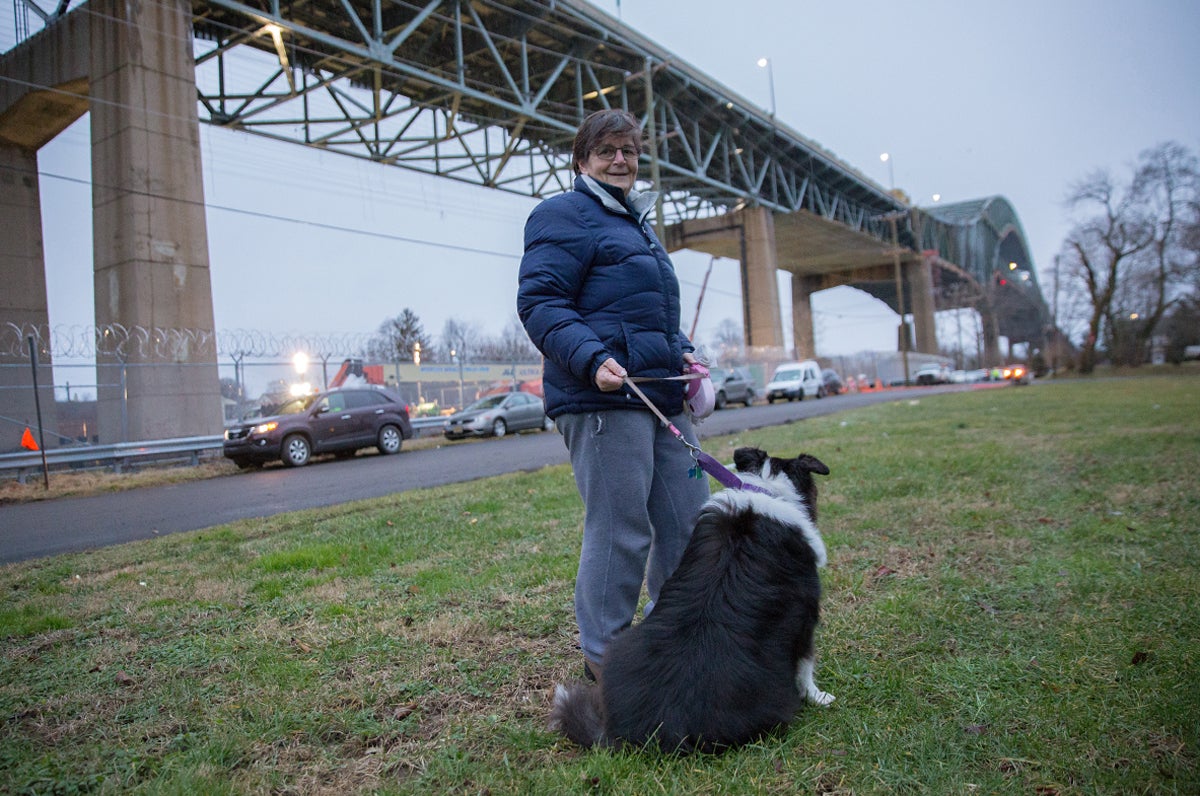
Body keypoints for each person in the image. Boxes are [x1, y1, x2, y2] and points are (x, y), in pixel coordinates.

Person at [517, 108, 711, 683]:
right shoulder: (563, 216)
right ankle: (605, 659)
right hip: (600, 397)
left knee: (688, 518)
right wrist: (590, 357)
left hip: (658, 395)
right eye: (607, 151)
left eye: (628, 150)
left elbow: (645, 313)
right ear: (582, 160)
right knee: (622, 526)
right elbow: (541, 303)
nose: (620, 159)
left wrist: (682, 349)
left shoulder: (637, 225)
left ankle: (669, 639)